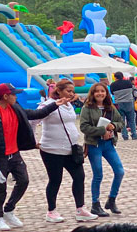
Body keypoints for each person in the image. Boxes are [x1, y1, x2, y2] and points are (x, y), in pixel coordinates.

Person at [0, 83, 68, 231]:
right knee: (0, 187)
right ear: (6, 96)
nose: (16, 96)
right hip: (0, 156)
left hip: (14, 154)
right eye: (14, 94)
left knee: (23, 181)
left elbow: (35, 114)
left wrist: (55, 105)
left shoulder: (16, 108)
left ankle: (9, 210)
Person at [37, 80, 97, 223]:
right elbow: (34, 120)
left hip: (70, 149)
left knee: (79, 176)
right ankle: (51, 211)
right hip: (52, 150)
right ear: (58, 90)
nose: (71, 94)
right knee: (55, 180)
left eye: (72, 91)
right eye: (68, 91)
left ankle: (80, 209)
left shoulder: (68, 105)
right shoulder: (48, 105)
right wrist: (34, 140)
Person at [79, 83, 124, 217]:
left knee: (119, 171)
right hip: (94, 144)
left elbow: (121, 123)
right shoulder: (87, 108)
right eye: (97, 91)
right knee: (98, 174)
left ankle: (112, 199)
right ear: (92, 93)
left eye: (102, 91)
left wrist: (113, 126)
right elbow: (84, 127)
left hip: (108, 144)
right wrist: (102, 130)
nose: (100, 94)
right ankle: (95, 204)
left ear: (106, 93)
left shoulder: (110, 107)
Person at [110, 72, 137, 141]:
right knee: (131, 120)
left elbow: (112, 93)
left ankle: (125, 136)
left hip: (119, 103)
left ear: (115, 77)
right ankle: (134, 135)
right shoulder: (128, 83)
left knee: (121, 121)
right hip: (129, 102)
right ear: (122, 76)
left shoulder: (113, 85)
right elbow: (133, 91)